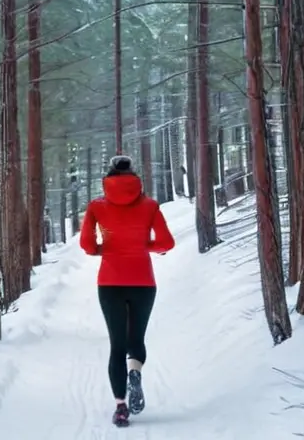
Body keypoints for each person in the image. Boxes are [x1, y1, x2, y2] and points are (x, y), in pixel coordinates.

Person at [79, 155, 175, 427]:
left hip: (110, 282)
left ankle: (121, 407)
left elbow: (87, 245)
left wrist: (103, 250)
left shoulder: (96, 206)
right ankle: (135, 371)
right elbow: (167, 242)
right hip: (143, 281)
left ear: (108, 177)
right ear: (134, 176)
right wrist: (145, 247)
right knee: (136, 339)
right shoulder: (150, 205)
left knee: (116, 344)